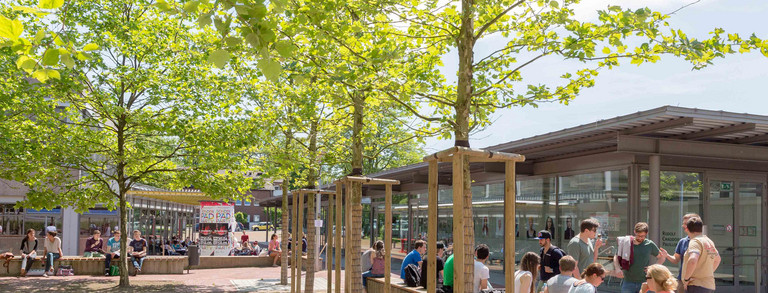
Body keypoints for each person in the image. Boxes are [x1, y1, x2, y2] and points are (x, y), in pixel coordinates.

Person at [614, 222, 667, 293]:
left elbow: (661, 257)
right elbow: (616, 256)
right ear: (634, 232)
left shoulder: (649, 244)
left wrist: (653, 268)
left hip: (645, 282)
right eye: (638, 235)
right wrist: (617, 269)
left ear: (646, 233)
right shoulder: (627, 242)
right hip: (628, 281)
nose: (640, 238)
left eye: (642, 236)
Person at [681, 217, 720, 293]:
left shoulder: (695, 241)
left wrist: (686, 279)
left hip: (696, 286)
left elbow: (693, 260)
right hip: (709, 285)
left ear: (687, 229)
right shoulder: (708, 241)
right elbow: (718, 259)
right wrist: (706, 273)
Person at [663, 213, 699, 292]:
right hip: (682, 281)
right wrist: (666, 255)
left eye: (686, 224)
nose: (683, 226)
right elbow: (676, 260)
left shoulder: (702, 242)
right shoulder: (682, 241)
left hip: (696, 282)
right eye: (683, 223)